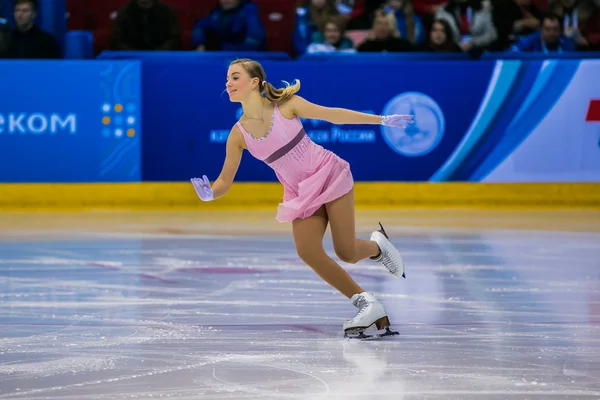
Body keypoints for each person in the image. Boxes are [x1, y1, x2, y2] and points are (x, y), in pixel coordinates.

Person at [190, 58, 413, 338]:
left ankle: (377, 247)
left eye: (235, 77)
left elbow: (332, 115)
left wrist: (380, 120)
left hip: (328, 173)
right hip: (299, 192)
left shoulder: (286, 106)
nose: (228, 83)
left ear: (254, 82)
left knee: (346, 251)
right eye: (227, 78)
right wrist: (210, 193)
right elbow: (224, 180)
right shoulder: (238, 135)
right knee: (308, 250)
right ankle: (366, 303)